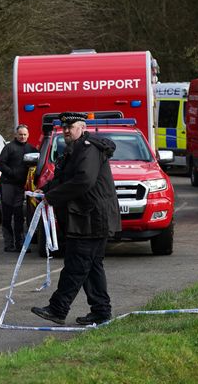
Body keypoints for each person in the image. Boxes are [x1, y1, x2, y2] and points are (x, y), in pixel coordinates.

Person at [30, 112, 121, 326]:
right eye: (64, 128)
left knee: (76, 265)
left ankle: (58, 309)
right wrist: (44, 190)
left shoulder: (88, 149)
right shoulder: (75, 150)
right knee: (91, 267)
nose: (67, 131)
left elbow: (83, 181)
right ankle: (101, 311)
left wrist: (52, 197)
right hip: (86, 218)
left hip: (91, 218)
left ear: (82, 127)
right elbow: (64, 178)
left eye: (71, 127)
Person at [0, 124, 38, 252]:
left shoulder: (31, 149)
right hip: (8, 184)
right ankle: (9, 245)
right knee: (8, 215)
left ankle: (20, 245)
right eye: (20, 134)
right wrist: (12, 173)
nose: (23, 137)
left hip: (20, 187)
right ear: (16, 135)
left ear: (28, 135)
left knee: (19, 216)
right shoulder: (9, 148)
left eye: (25, 134)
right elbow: (0, 164)